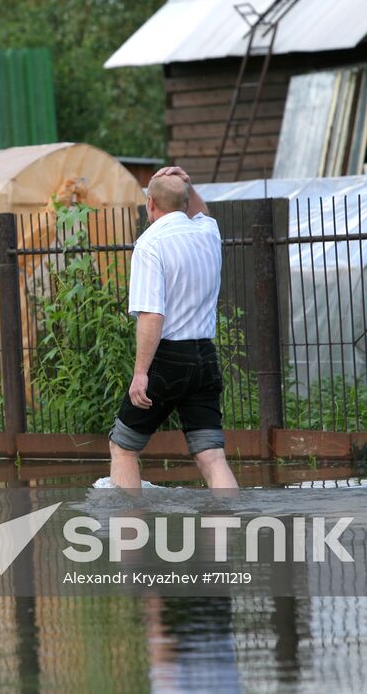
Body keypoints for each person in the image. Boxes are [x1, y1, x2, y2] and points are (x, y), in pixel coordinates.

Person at [109, 166, 238, 490]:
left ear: (150, 203)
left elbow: (152, 315)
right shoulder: (208, 232)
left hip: (167, 359)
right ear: (184, 202)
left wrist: (141, 373)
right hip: (205, 356)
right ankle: (230, 530)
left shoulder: (151, 244)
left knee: (123, 448)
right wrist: (188, 186)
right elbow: (201, 211)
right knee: (212, 456)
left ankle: (129, 535)